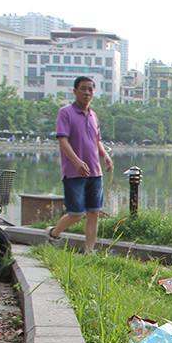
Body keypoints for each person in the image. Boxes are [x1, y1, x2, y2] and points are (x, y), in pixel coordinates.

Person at [46, 76, 113, 253]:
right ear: (75, 91)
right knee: (76, 214)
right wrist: (76, 162)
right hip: (74, 172)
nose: (87, 92)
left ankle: (88, 251)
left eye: (90, 89)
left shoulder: (93, 115)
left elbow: (96, 140)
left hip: (95, 172)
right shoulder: (65, 112)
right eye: (83, 89)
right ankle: (54, 233)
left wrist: (104, 155)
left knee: (94, 213)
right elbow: (62, 139)